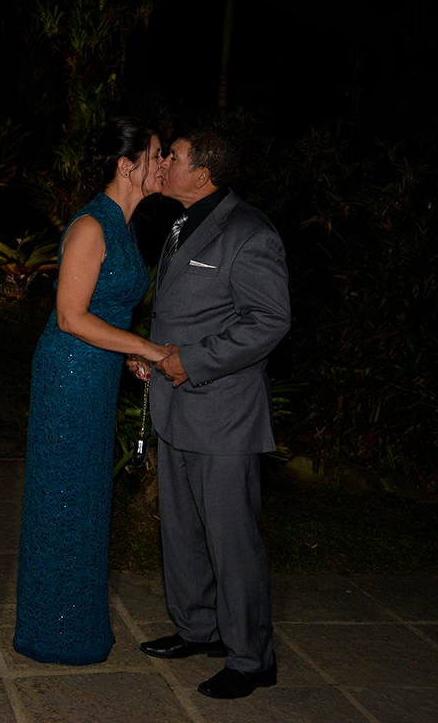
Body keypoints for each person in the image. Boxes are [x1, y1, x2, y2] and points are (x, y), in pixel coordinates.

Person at [136, 126, 290, 699]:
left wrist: (191, 361)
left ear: (202, 174)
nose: (164, 165)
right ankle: (198, 629)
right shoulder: (181, 223)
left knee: (231, 540)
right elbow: (185, 311)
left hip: (223, 414)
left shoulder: (249, 232)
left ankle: (252, 658)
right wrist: (155, 357)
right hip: (175, 407)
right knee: (180, 532)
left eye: (171, 158)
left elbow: (269, 321)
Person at [14, 118, 169, 664]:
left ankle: (75, 622)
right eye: (155, 155)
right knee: (63, 496)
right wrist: (146, 347)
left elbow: (104, 306)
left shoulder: (125, 226)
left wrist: (125, 350)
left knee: (86, 498)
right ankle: (50, 629)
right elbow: (71, 316)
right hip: (69, 377)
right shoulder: (90, 226)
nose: (163, 163)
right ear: (127, 166)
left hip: (98, 375)